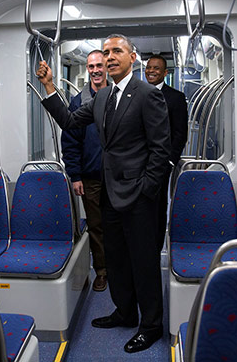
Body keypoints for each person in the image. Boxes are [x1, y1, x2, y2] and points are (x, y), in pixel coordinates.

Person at [37, 34, 170, 353]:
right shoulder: (102, 97)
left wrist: (146, 191)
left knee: (144, 261)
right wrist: (49, 86)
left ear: (132, 57)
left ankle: (150, 325)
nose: (110, 57)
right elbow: (69, 122)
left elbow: (160, 150)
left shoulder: (147, 95)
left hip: (138, 196)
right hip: (109, 194)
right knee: (116, 258)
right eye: (106, 52)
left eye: (117, 51)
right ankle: (124, 312)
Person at [61, 50, 108, 292]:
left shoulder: (119, 97)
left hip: (120, 178)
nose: (95, 70)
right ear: (87, 70)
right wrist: (75, 175)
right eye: (91, 66)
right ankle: (101, 270)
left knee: (121, 225)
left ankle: (122, 269)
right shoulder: (78, 102)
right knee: (97, 226)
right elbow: (70, 142)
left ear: (106, 67)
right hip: (91, 177)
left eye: (99, 65)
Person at [145, 55, 188, 252]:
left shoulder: (176, 98)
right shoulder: (139, 94)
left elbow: (180, 134)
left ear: (165, 73)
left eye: (156, 68)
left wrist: (170, 162)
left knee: (159, 205)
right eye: (148, 68)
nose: (151, 71)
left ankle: (155, 246)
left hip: (162, 163)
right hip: (137, 163)